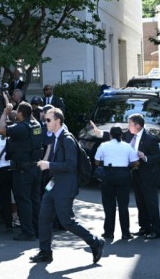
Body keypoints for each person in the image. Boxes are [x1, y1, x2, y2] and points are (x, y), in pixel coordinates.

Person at [31, 108, 105, 264]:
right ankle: (45, 252)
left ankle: (95, 242)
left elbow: (71, 165)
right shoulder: (56, 138)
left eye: (48, 120)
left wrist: (49, 164)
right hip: (54, 185)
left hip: (65, 186)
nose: (46, 123)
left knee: (66, 221)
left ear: (58, 121)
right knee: (44, 217)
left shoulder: (67, 139)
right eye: (45, 120)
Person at [92, 114, 160, 239]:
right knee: (140, 202)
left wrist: (145, 157)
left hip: (147, 175)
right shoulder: (129, 134)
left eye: (130, 124)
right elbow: (114, 135)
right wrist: (99, 132)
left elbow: (157, 157)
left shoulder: (150, 139)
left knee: (151, 202)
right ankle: (144, 227)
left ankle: (155, 230)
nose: (128, 126)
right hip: (134, 174)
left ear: (138, 126)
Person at [0, 101, 43, 241]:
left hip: (23, 170)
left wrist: (5, 113)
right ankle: (37, 230)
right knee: (35, 200)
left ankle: (28, 232)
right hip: (35, 168)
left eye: (17, 112)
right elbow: (29, 117)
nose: (15, 114)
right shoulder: (36, 125)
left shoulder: (21, 127)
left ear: (21, 113)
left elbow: (1, 130)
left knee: (24, 201)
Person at [94, 126, 139, 240]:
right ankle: (125, 233)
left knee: (109, 205)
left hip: (108, 175)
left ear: (110, 135)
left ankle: (109, 232)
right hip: (123, 175)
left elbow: (96, 161)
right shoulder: (127, 146)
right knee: (123, 205)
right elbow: (136, 162)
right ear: (121, 135)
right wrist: (129, 168)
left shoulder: (104, 146)